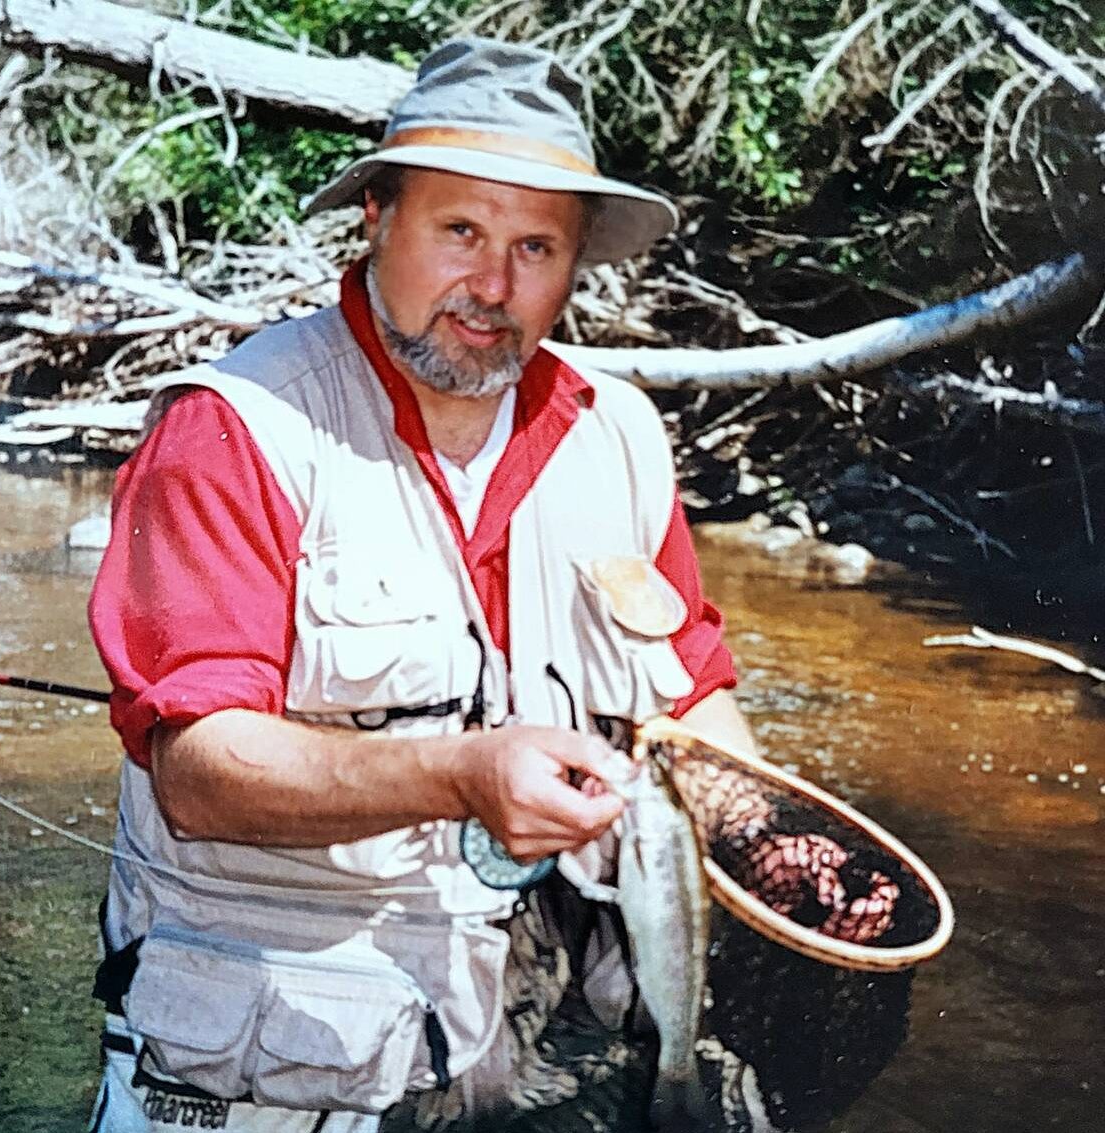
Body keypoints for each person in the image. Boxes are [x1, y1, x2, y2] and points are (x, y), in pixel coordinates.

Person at [86, 36, 758, 1133]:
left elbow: (691, 692)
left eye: (535, 246)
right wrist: (462, 772)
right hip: (291, 1057)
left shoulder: (619, 432)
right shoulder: (235, 430)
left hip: (552, 1039)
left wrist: (772, 825)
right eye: (460, 231)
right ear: (376, 218)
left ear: (577, 261)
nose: (493, 287)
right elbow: (200, 769)